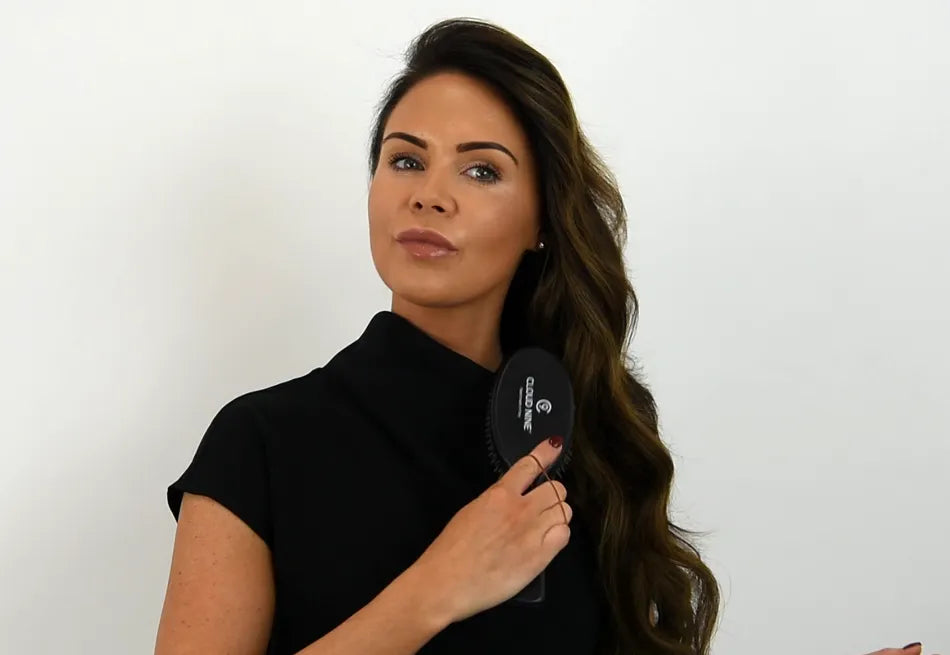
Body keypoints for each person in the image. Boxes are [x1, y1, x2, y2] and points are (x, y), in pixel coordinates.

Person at [154, 17, 933, 655]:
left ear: (540, 223)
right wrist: (435, 590)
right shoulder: (258, 443)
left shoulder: (588, 435)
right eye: (404, 159)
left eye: (481, 171)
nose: (429, 195)